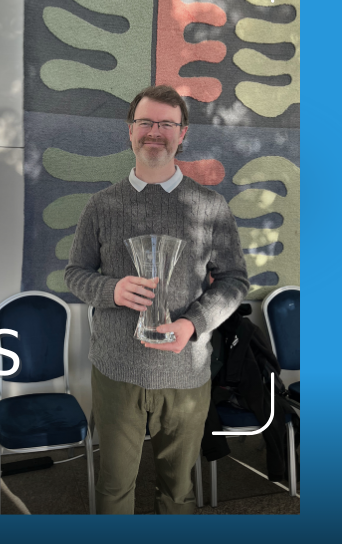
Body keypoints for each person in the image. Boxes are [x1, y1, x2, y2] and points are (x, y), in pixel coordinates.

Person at [65, 84, 249, 514]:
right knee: (113, 490)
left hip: (185, 372)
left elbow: (234, 280)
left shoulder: (210, 206)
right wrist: (112, 290)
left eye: (166, 123)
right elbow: (75, 274)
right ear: (129, 131)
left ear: (182, 133)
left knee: (179, 492)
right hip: (116, 370)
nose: (155, 131)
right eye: (145, 122)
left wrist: (192, 323)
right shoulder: (101, 205)